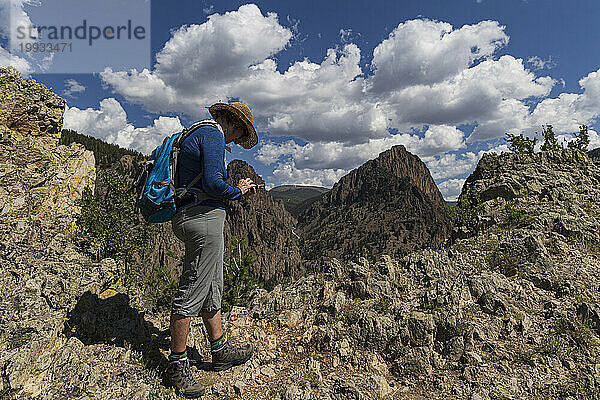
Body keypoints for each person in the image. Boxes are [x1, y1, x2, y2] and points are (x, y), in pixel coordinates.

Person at [165, 102, 259, 398]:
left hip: (191, 215)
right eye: (240, 132)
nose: (236, 139)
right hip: (202, 219)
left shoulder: (196, 134)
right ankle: (176, 364)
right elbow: (214, 183)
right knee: (192, 288)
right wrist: (240, 190)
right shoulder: (214, 135)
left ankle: (219, 350)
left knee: (210, 286)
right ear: (232, 122)